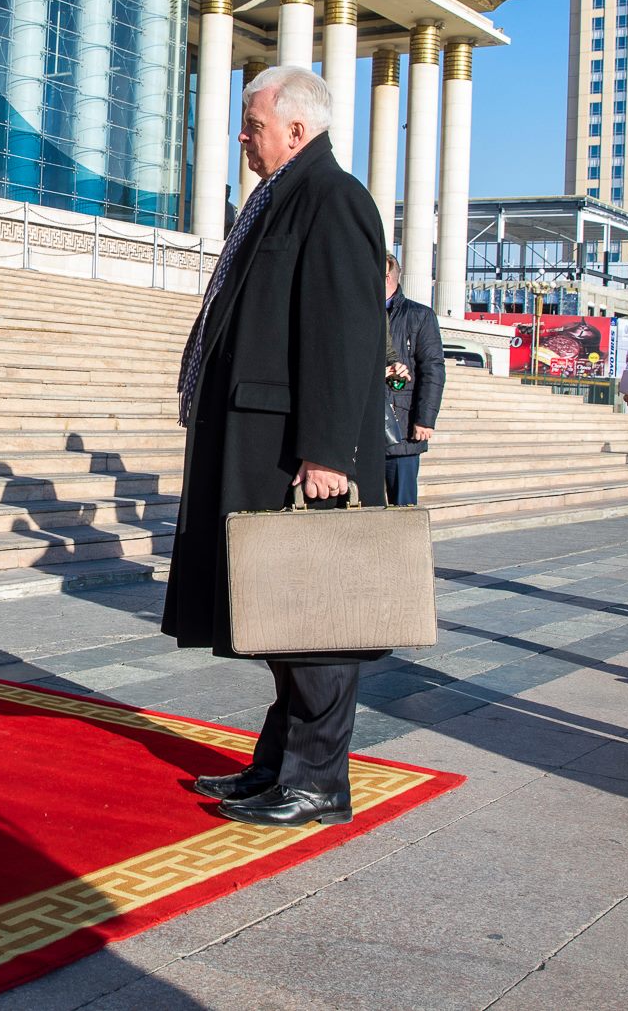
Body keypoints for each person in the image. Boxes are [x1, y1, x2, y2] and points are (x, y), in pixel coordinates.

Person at [163, 65, 388, 829]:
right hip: (256, 438)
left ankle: (318, 780)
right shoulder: (278, 197)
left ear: (296, 128)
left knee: (313, 619)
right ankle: (278, 764)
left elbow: (345, 336)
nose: (240, 135)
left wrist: (327, 450)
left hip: (299, 453)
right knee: (278, 613)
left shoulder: (334, 200)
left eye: (251, 122)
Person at [382, 253, 444, 506]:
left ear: (386, 277)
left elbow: (433, 370)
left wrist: (424, 420)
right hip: (363, 431)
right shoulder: (358, 311)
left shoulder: (419, 315)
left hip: (402, 430)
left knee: (403, 507)